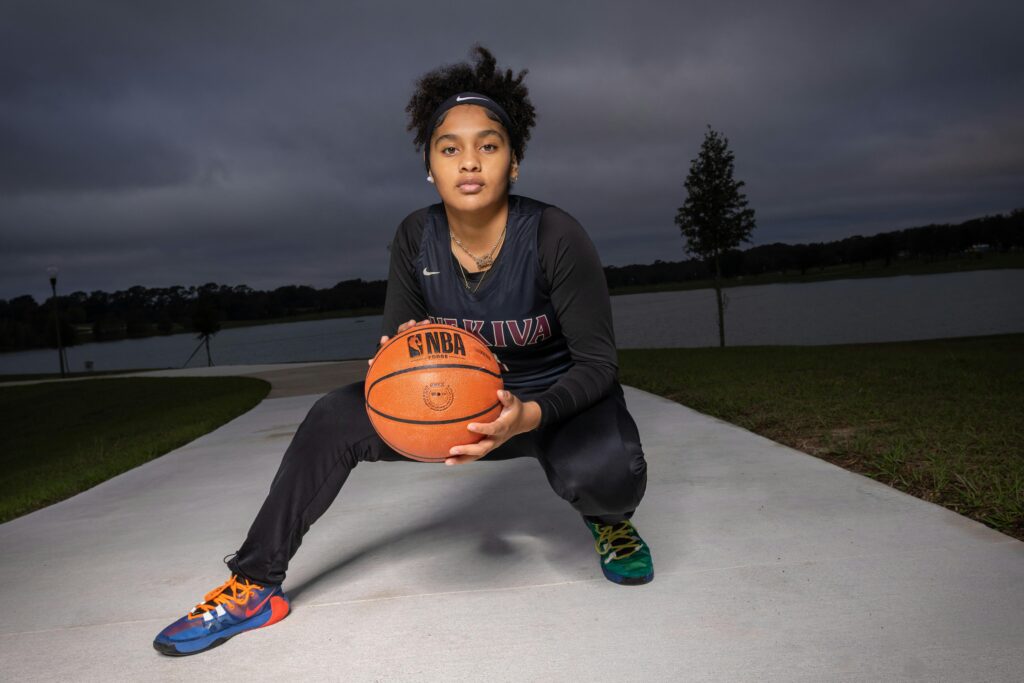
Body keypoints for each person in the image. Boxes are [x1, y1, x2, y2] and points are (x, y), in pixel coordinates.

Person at [153, 44, 652, 657]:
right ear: (430, 164)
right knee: (333, 417)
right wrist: (403, 381)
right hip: (462, 406)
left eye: (488, 145)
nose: (469, 161)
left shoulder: (555, 234)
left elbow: (599, 365)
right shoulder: (416, 237)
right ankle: (255, 583)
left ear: (514, 161)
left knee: (606, 475)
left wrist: (530, 414)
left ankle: (609, 522)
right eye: (450, 148)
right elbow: (398, 350)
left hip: (550, 404)